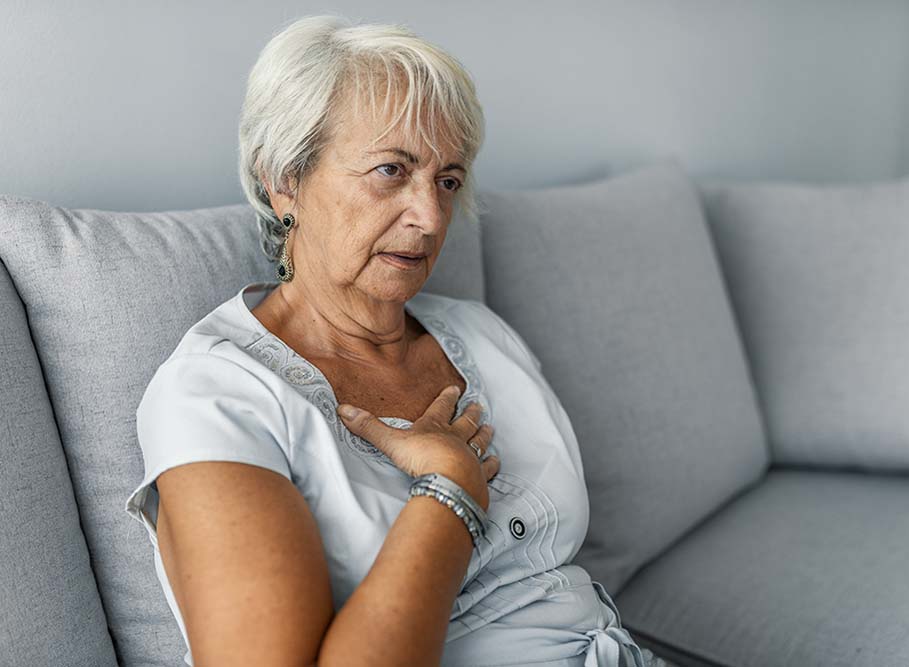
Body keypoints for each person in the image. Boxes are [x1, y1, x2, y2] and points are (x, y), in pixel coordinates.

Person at [124, 14, 672, 667]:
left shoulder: (479, 334)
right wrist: (450, 488)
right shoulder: (216, 395)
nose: (431, 217)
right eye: (391, 170)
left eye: (447, 179)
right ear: (283, 180)